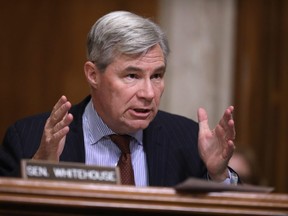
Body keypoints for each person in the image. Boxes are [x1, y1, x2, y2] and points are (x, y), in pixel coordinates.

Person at [0, 11, 237, 187]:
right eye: (132, 75)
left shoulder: (187, 141)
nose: (148, 93)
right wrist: (40, 170)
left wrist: (218, 175)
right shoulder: (28, 139)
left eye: (156, 76)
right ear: (93, 74)